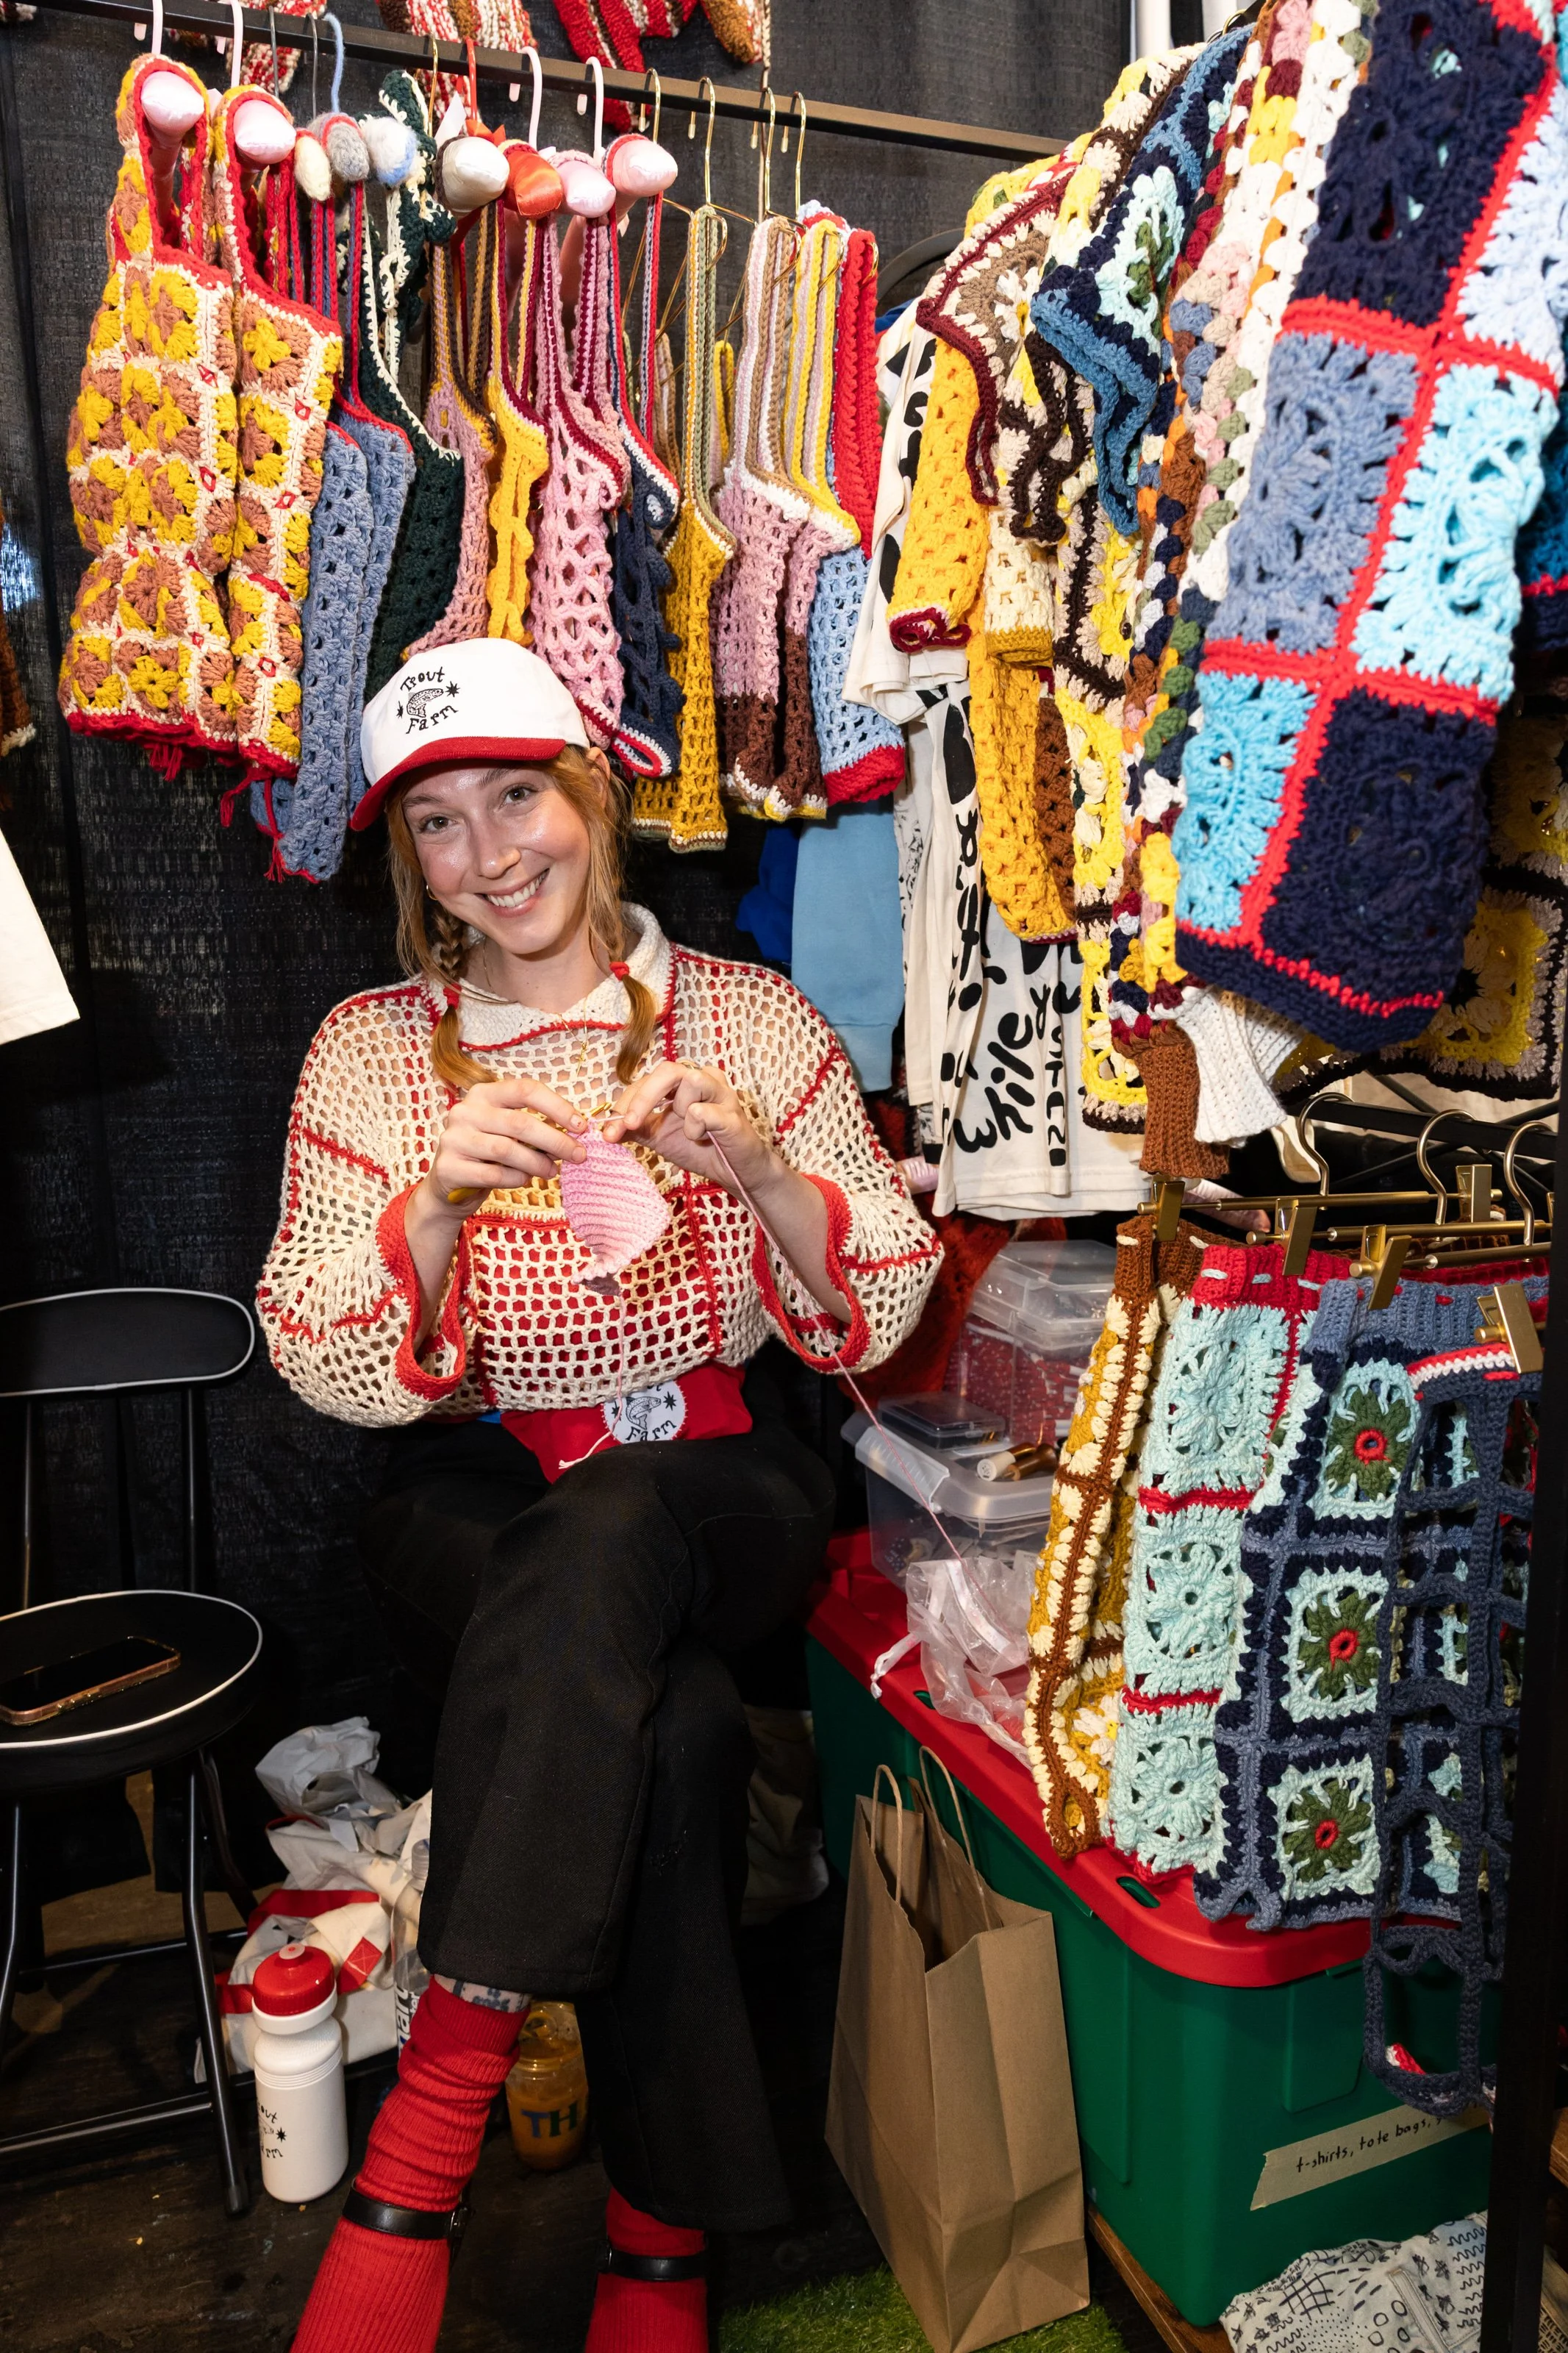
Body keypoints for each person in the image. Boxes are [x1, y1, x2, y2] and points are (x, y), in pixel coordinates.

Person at [258, 638, 941, 2353]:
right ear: (405, 858)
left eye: (518, 796)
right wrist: (426, 1210)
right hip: (486, 1486)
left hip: (719, 1477)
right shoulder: (370, 1050)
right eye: (435, 821)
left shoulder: (742, 1016)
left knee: (636, 1528)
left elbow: (881, 1300)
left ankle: (420, 2146)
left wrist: (768, 1169)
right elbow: (315, 1345)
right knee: (683, 1733)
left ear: (596, 799)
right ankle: (657, 2242)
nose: (488, 854)